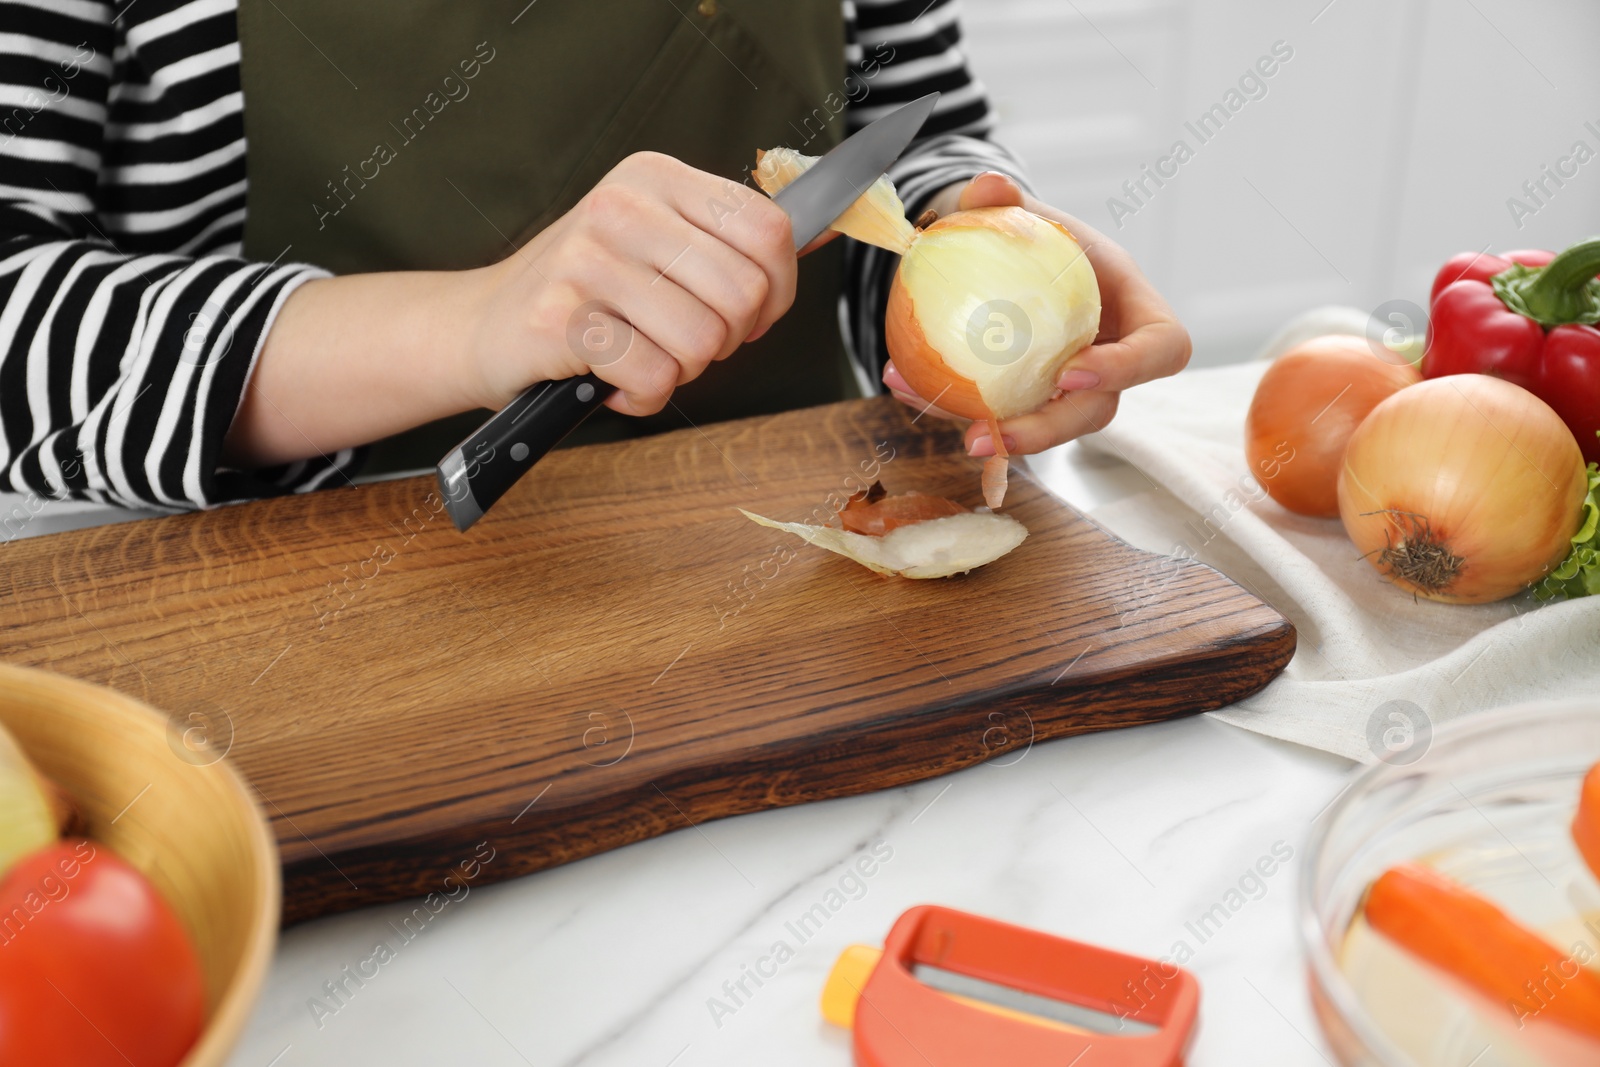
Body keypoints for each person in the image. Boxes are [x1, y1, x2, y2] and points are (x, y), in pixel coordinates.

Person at [0, 0, 1188, 512]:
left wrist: (968, 247)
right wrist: (471, 327)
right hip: (300, 636)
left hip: (798, 578)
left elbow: (915, 121)